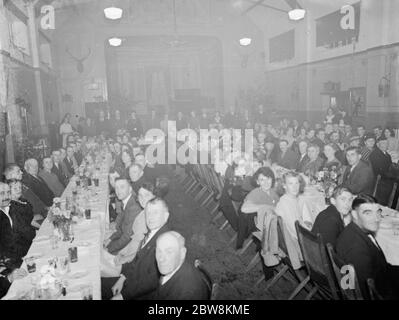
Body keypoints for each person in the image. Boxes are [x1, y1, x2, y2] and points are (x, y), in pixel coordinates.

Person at [101, 198, 170, 300]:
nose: (150, 217)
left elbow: (151, 281)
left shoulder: (164, 241)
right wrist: (122, 279)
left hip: (142, 293)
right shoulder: (152, 232)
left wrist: (123, 295)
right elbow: (137, 259)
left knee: (99, 286)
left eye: (155, 212)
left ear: (166, 216)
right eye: (148, 213)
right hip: (132, 279)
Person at [336, 194, 399, 299]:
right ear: (354, 214)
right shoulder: (356, 249)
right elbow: (365, 292)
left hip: (383, 275)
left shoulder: (356, 230)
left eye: (378, 212)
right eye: (368, 213)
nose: (376, 219)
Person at [148, 231, 210, 300]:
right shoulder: (176, 265)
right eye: (159, 251)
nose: (161, 259)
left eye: (169, 252)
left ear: (182, 253)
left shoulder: (186, 294)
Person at [275, 172, 308, 270]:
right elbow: (295, 232)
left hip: (292, 241)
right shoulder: (285, 203)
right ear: (284, 186)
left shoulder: (292, 199)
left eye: (297, 183)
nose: (294, 187)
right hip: (296, 247)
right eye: (290, 184)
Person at [104, 178, 142, 255]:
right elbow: (122, 227)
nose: (118, 191)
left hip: (131, 247)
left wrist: (108, 249)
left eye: (122, 187)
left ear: (130, 189)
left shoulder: (133, 208)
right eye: (116, 188)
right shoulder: (125, 200)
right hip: (124, 237)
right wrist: (109, 239)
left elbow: (127, 237)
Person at [0, 182, 36, 264]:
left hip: (28, 251)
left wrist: (38, 236)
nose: (6, 196)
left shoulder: (11, 208)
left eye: (8, 192)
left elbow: (24, 229)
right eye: (2, 193)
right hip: (14, 262)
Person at [369, 136, 395, 206]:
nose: (385, 145)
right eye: (383, 143)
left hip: (385, 179)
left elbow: (389, 167)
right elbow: (380, 170)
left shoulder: (387, 155)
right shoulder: (375, 154)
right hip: (379, 181)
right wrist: (394, 176)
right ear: (377, 144)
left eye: (387, 143)